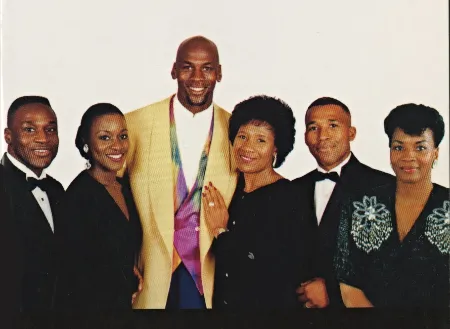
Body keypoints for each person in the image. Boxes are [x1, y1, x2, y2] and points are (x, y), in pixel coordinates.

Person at [123, 36, 238, 309]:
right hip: (149, 279)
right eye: (187, 67)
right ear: (173, 70)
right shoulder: (134, 123)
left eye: (207, 68)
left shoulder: (238, 131)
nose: (197, 77)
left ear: (219, 73)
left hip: (210, 281)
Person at [203, 95, 315, 308]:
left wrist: (220, 230)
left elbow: (265, 270)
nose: (247, 147)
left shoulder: (291, 197)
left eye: (261, 140)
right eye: (242, 136)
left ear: (276, 149)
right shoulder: (231, 191)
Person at [335, 103, 449, 307]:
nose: (408, 156)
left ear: (436, 152)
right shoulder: (360, 206)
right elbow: (348, 282)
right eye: (399, 147)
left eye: (420, 147)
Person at [292, 97, 394, 308]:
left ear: (351, 133)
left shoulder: (385, 188)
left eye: (333, 125)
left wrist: (333, 293)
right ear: (305, 137)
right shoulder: (291, 190)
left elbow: (393, 265)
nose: (323, 136)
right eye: (314, 128)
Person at [56, 103, 142, 310]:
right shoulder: (78, 197)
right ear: (86, 143)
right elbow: (74, 274)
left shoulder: (125, 187)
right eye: (105, 137)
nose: (117, 146)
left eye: (122, 136)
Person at [1, 96, 65, 311]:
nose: (43, 139)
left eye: (50, 130)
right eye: (30, 130)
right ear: (8, 136)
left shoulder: (56, 189)